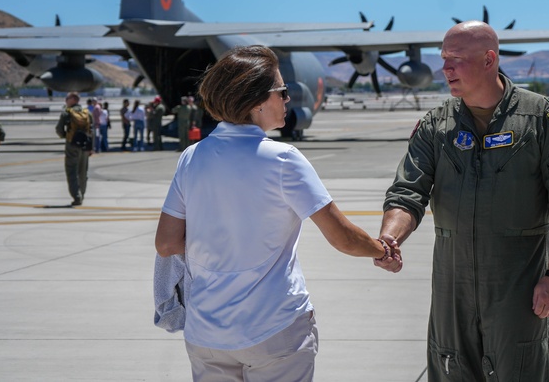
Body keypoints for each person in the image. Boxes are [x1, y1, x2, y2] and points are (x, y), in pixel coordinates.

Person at [155, 45, 400, 381]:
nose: (287, 99)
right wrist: (382, 251)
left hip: (207, 333)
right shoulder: (284, 159)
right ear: (256, 100)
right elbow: (342, 237)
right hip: (272, 328)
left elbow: (167, 244)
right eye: (282, 92)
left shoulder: (192, 157)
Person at [377, 21, 549, 381]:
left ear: (490, 59)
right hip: (452, 293)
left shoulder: (540, 119)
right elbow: (407, 193)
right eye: (444, 58)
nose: (445, 68)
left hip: (519, 292)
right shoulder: (436, 125)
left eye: (456, 59)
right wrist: (389, 237)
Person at [56, 92, 93, 206]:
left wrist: (66, 136)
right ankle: (82, 193)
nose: (66, 101)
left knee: (72, 170)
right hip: (85, 145)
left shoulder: (67, 112)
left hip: (72, 144)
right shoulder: (87, 113)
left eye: (67, 99)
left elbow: (59, 129)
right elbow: (92, 130)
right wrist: (91, 147)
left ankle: (77, 196)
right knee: (83, 171)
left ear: (72, 100)